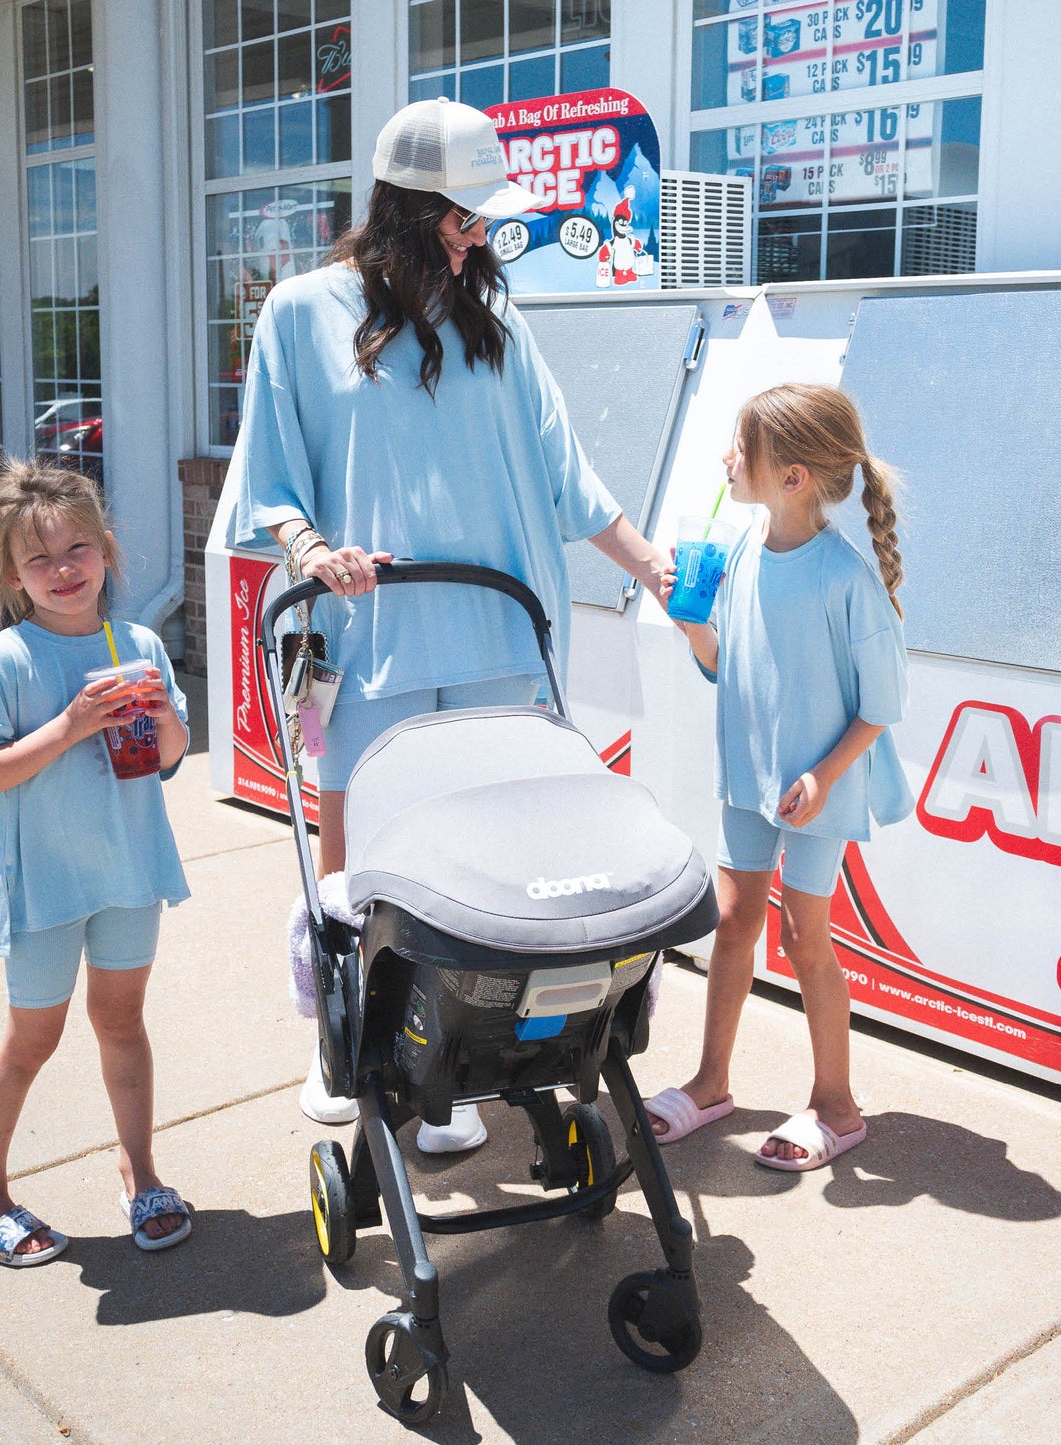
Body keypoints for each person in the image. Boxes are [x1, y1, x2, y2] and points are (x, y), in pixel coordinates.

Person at [222, 97, 674, 1149]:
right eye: (464, 216)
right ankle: (346, 1036)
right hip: (372, 629)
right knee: (364, 850)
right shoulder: (299, 312)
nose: (480, 236)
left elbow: (566, 477)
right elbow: (271, 477)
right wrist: (309, 552)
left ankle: (451, 1070)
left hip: (499, 633)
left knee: (487, 863)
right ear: (409, 208)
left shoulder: (499, 325)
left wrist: (648, 563)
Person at [644, 383, 912, 1171]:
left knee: (803, 936)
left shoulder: (846, 579)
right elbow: (728, 664)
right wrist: (694, 628)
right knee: (732, 920)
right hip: (750, 778)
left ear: (791, 476)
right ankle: (710, 1082)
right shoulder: (734, 554)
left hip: (817, 787)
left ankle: (836, 1104)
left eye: (740, 446)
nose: (726, 459)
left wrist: (825, 776)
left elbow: (880, 707)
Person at [0, 459, 194, 1264]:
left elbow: (169, 755)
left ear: (107, 551)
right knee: (30, 1042)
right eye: (39, 559)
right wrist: (70, 724)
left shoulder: (139, 642)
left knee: (122, 1022)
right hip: (43, 883)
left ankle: (140, 1169)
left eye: (77, 548)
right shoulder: (5, 660)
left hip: (127, 871)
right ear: (13, 575)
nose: (62, 570)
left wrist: (161, 716)